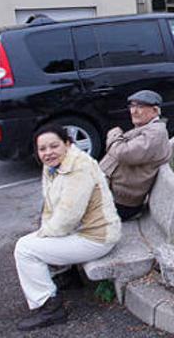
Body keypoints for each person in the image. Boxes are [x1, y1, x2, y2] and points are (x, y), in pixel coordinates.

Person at [14, 125, 121, 331]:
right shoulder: (55, 166)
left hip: (97, 238)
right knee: (38, 238)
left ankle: (50, 308)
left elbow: (67, 217)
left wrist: (42, 234)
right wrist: (44, 231)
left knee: (25, 248)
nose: (48, 153)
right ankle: (68, 276)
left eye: (54, 146)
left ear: (68, 144)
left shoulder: (78, 167)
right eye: (42, 149)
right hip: (81, 232)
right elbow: (51, 208)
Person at [100, 90, 171, 221]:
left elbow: (123, 153)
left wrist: (114, 134)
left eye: (140, 107)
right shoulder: (147, 128)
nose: (133, 111)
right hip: (110, 194)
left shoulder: (155, 133)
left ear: (155, 111)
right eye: (132, 106)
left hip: (120, 204)